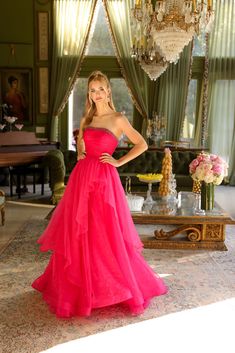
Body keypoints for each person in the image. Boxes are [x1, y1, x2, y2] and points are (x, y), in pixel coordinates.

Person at [32, 71, 167, 318]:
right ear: (90, 94)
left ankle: (113, 286)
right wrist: (82, 153)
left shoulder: (118, 119)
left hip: (105, 181)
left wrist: (118, 162)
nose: (96, 94)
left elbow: (142, 144)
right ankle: (81, 287)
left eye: (100, 89)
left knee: (106, 233)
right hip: (82, 179)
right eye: (92, 90)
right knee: (79, 232)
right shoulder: (87, 118)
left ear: (108, 91)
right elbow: (82, 146)